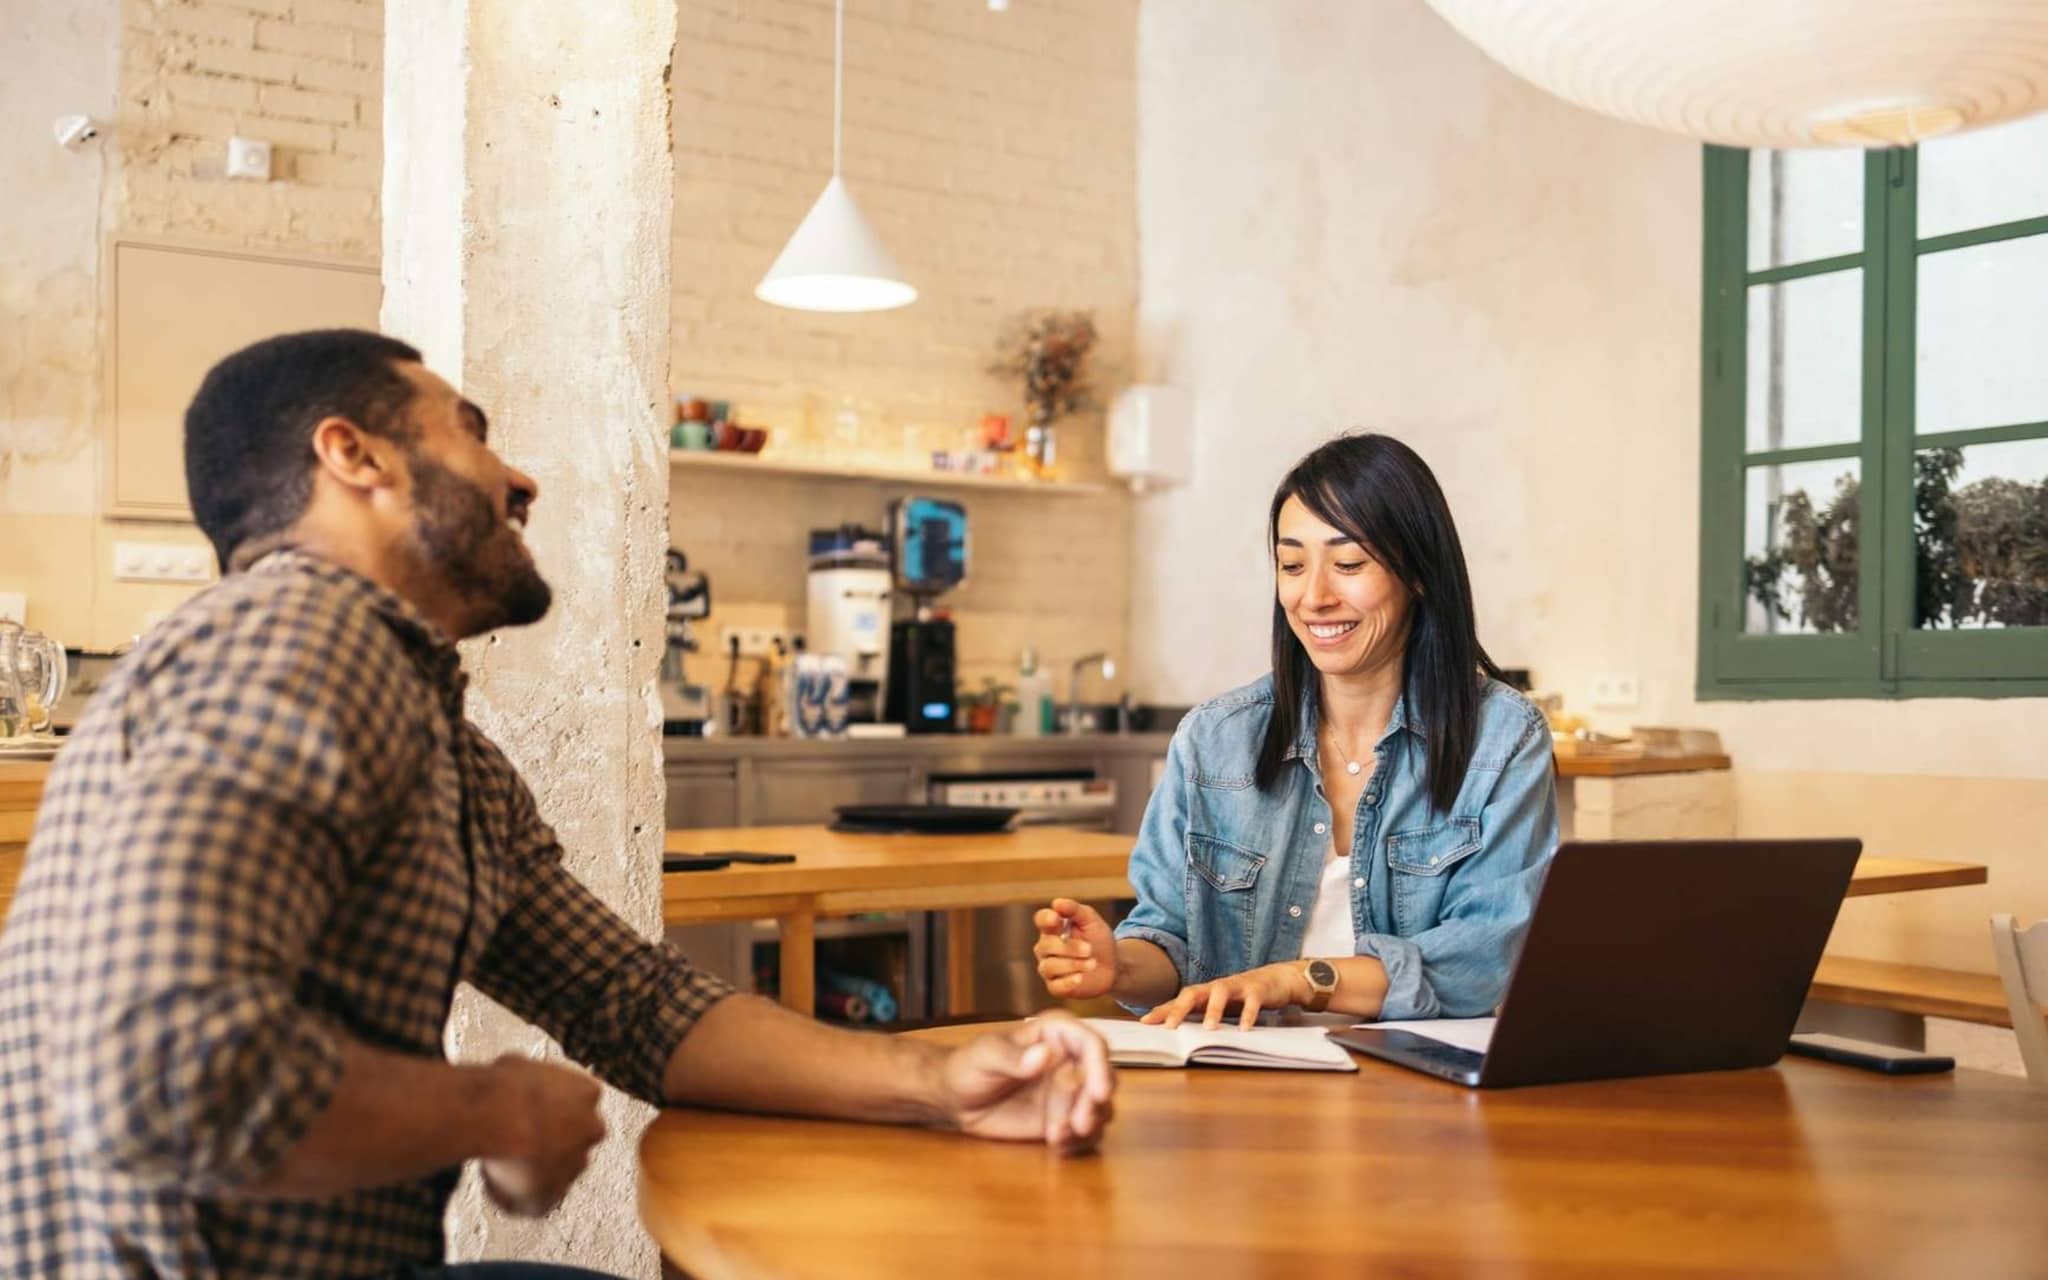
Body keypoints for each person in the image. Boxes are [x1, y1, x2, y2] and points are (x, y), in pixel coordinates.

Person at [0, 330, 1113, 1280]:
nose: (517, 479)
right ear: (354, 455)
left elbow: (630, 999)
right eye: (471, 432)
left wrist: (940, 1083)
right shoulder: (299, 644)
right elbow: (161, 1073)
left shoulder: (433, 735)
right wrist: (490, 1109)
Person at [1034, 433, 1557, 1030]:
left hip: (1410, 1080)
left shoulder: (1503, 739)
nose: (1314, 597)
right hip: (1242, 1074)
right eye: (1292, 565)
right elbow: (1172, 942)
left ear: (1417, 572)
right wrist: (1118, 966)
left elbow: (1482, 961)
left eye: (1349, 564)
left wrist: (1298, 979)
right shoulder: (1214, 740)